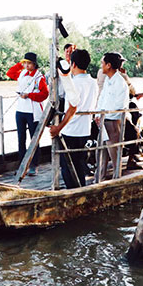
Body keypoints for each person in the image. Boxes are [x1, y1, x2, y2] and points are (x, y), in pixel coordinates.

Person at [49, 49, 98, 188]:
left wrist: (59, 127)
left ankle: (72, 192)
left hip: (70, 129)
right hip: (84, 129)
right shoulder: (92, 82)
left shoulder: (74, 83)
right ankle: (79, 190)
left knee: (68, 168)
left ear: (73, 64)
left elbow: (72, 107)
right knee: (78, 165)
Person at [6, 52, 49, 175]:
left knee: (33, 139)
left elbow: (44, 94)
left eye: (29, 63)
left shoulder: (39, 77)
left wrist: (29, 95)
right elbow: (10, 73)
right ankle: (22, 164)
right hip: (20, 110)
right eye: (25, 63)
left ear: (35, 64)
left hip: (32, 111)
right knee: (21, 139)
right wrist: (20, 64)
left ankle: (34, 165)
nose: (27, 65)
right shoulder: (22, 73)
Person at [96, 52, 129, 179]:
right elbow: (102, 98)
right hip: (103, 119)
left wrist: (105, 115)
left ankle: (117, 177)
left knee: (114, 152)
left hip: (113, 121)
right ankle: (100, 177)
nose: (101, 66)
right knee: (102, 150)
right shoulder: (108, 81)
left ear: (108, 65)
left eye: (102, 63)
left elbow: (119, 105)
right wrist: (98, 114)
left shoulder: (120, 82)